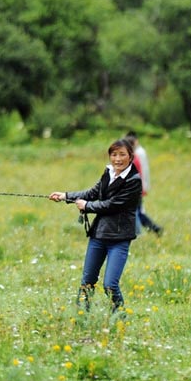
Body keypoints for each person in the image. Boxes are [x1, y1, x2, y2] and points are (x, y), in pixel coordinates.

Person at [49, 138, 141, 314]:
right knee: (87, 281)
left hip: (119, 239)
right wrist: (65, 196)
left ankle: (119, 317)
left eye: (122, 154)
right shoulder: (109, 172)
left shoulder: (134, 180)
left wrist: (87, 206)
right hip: (98, 235)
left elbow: (113, 204)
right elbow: (93, 193)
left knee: (110, 285)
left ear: (130, 157)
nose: (117, 159)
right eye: (114, 154)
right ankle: (82, 316)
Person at [124, 130, 163, 236]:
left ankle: (139, 232)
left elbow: (142, 172)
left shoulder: (137, 155)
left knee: (135, 212)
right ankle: (155, 228)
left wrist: (143, 187)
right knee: (139, 212)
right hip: (138, 187)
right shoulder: (136, 154)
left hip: (136, 188)